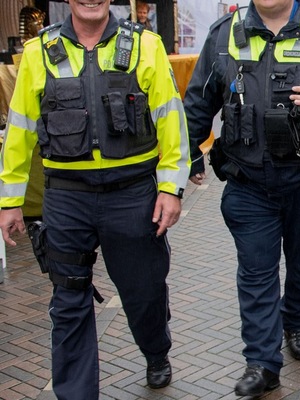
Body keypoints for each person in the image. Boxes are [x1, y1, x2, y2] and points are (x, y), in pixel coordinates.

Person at [183, 0, 300, 396]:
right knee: (256, 274)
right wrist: (190, 155)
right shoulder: (223, 33)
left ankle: (297, 322)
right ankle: (262, 363)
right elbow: (198, 100)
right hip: (248, 183)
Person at [0, 0, 190, 397]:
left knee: (144, 291)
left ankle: (156, 350)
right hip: (66, 197)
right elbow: (20, 129)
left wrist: (171, 188)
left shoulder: (146, 45)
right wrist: (10, 199)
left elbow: (171, 118)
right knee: (68, 298)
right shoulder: (39, 52)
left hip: (133, 194)